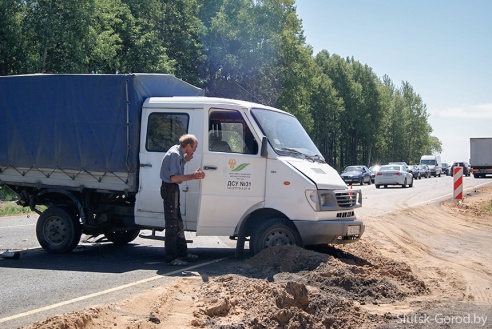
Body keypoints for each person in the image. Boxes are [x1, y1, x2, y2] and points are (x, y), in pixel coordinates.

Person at [160, 134, 205, 266]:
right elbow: (174, 178)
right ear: (188, 145)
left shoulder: (177, 151)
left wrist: (185, 160)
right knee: (172, 224)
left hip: (172, 188)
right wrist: (194, 176)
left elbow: (175, 168)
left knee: (178, 222)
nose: (195, 150)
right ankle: (171, 258)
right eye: (195, 147)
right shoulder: (174, 154)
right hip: (170, 188)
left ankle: (182, 255)